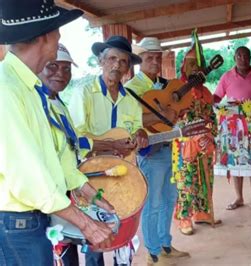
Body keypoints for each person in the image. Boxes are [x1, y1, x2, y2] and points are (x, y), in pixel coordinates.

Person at [0, 1, 113, 265]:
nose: (60, 37)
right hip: (16, 224)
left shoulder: (29, 87)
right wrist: (86, 224)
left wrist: (88, 192)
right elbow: (26, 174)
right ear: (44, 36)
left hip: (31, 220)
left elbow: (56, 153)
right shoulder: (6, 89)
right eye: (57, 31)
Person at [68, 35, 149, 266]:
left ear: (127, 68)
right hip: (91, 176)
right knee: (95, 232)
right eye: (112, 58)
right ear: (101, 61)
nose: (117, 65)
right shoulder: (84, 94)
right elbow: (76, 136)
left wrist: (140, 134)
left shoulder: (131, 101)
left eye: (123, 61)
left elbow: (135, 129)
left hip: (123, 173)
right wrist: (110, 146)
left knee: (124, 227)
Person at [37, 44, 119, 266]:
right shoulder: (35, 103)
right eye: (53, 66)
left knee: (85, 242)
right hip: (45, 199)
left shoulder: (58, 104)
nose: (61, 74)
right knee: (64, 249)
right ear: (37, 65)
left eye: (66, 68)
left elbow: (71, 145)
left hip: (69, 185)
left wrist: (91, 194)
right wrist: (106, 144)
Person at [125, 37, 189, 265]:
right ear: (139, 60)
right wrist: (163, 116)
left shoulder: (166, 84)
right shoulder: (132, 88)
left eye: (158, 57)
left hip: (170, 147)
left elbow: (174, 111)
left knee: (169, 199)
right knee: (152, 203)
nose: (154, 61)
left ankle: (165, 244)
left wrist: (176, 114)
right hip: (151, 152)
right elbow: (131, 120)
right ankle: (152, 253)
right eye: (149, 57)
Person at [171, 30, 222, 235]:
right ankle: (184, 217)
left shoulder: (207, 93)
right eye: (191, 65)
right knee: (187, 181)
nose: (195, 69)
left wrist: (210, 133)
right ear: (184, 67)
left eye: (198, 66)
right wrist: (192, 135)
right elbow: (175, 117)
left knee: (205, 178)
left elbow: (211, 117)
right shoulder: (177, 90)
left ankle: (202, 213)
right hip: (185, 145)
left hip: (205, 143)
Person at [213, 46, 251, 210]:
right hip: (233, 126)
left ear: (250, 57)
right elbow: (216, 97)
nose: (242, 58)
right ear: (234, 58)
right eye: (239, 55)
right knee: (236, 158)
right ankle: (238, 197)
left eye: (245, 55)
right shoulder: (227, 76)